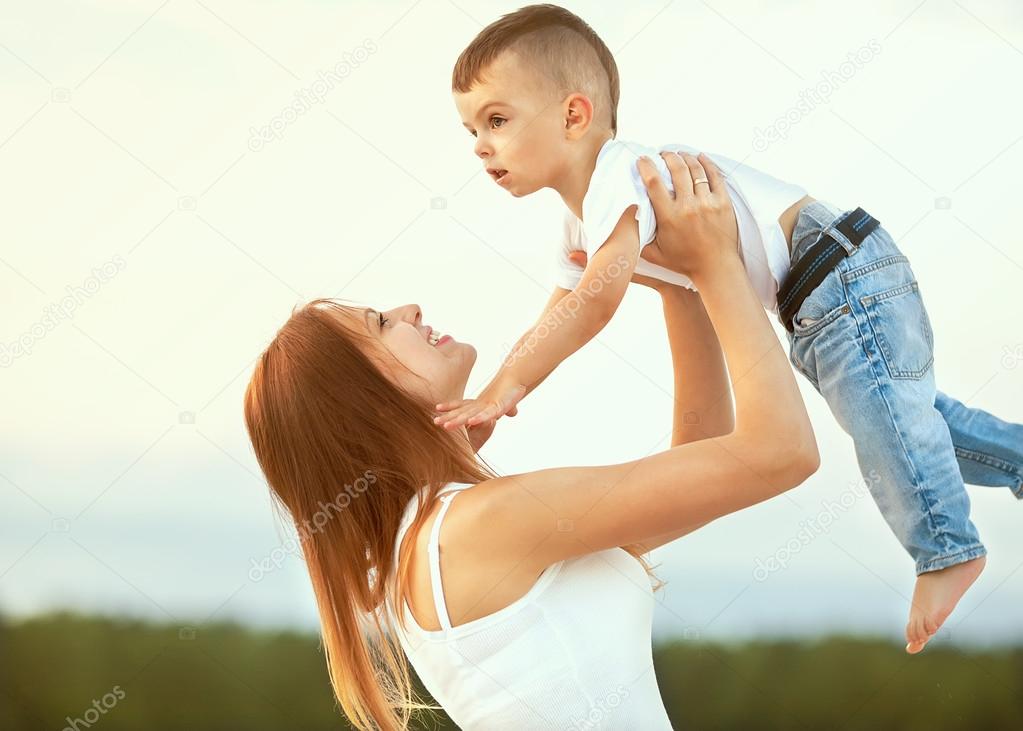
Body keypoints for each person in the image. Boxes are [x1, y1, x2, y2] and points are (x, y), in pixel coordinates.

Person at [440, 3, 1023, 655]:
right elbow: (556, 311)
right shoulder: (583, 221)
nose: (480, 145)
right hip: (818, 291)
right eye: (470, 130)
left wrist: (507, 388)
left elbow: (592, 302)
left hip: (834, 271)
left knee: (887, 423)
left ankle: (945, 549)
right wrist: (495, 388)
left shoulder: (616, 175)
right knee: (908, 419)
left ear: (573, 116)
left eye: (496, 120)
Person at [243, 151, 818, 730]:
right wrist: (717, 261)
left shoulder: (434, 541)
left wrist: (683, 291)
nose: (408, 309)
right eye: (379, 324)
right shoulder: (475, 527)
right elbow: (780, 452)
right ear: (360, 404)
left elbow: (705, 464)